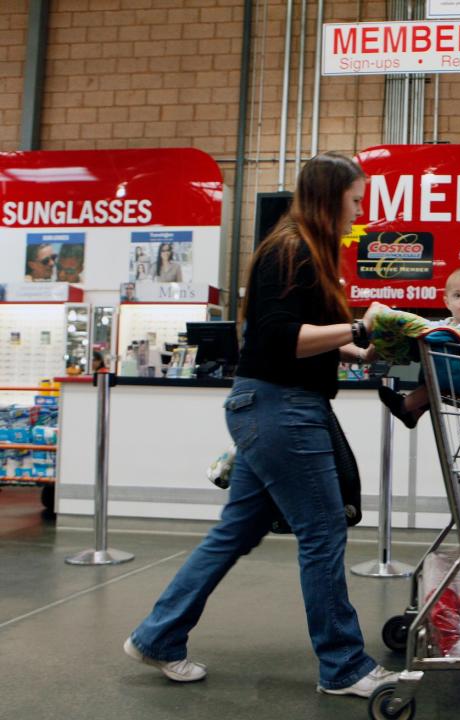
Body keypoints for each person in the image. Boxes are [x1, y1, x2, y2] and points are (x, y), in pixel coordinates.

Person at [123, 153, 397, 698]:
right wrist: (358, 323)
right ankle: (343, 666)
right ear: (329, 197)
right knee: (323, 531)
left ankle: (158, 636)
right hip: (282, 411)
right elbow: (278, 337)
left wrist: (356, 350)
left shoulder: (303, 251)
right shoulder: (291, 250)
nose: (360, 211)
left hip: (275, 406)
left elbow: (299, 336)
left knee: (237, 531)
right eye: (355, 200)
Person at [378, 266, 460, 428]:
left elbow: (452, 333)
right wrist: (404, 323)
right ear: (447, 301)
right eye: (457, 295)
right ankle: (414, 413)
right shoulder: (448, 322)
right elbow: (429, 326)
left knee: (437, 378)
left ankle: (404, 406)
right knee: (432, 368)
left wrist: (423, 331)